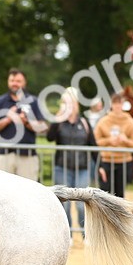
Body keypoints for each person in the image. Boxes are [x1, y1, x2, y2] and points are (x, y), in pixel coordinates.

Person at [46, 89, 97, 236]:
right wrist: (57, 119)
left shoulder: (84, 123)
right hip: (62, 168)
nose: (69, 106)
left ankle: (84, 234)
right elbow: (50, 137)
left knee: (82, 204)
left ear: (77, 104)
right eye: (66, 102)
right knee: (64, 204)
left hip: (82, 168)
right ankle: (67, 234)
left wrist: (100, 166)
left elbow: (93, 145)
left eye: (71, 102)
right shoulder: (60, 123)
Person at [0, 69, 48, 180]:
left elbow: (43, 128)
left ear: (25, 83)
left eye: (18, 81)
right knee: (1, 192)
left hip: (27, 156)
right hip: (4, 155)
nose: (14, 83)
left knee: (28, 193)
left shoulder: (33, 101)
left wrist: (26, 122)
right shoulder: (0, 101)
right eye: (12, 80)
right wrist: (8, 118)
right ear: (8, 82)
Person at [93, 91, 133, 198]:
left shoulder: (130, 122)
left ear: (123, 105)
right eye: (115, 103)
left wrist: (125, 141)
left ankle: (118, 215)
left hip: (124, 162)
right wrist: (108, 141)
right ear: (111, 104)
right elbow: (95, 141)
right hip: (107, 161)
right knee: (105, 194)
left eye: (120, 103)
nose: (117, 106)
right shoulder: (103, 121)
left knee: (120, 194)